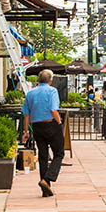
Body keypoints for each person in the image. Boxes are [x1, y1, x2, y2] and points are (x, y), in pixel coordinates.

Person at [21, 69, 64, 197]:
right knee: (59, 153)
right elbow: (53, 110)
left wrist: (26, 131)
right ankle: (47, 179)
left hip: (37, 126)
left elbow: (26, 114)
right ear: (50, 80)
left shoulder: (31, 93)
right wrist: (59, 122)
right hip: (51, 124)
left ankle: (45, 188)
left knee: (43, 156)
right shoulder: (52, 91)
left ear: (39, 80)